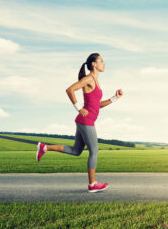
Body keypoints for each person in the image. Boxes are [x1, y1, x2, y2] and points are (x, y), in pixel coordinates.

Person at [36, 53, 123, 192]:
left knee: (76, 151)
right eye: (101, 61)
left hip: (84, 121)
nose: (104, 63)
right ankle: (92, 184)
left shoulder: (95, 81)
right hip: (86, 121)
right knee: (94, 151)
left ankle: (44, 148)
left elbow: (97, 104)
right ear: (94, 64)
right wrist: (78, 107)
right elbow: (70, 90)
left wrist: (115, 98)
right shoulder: (89, 79)